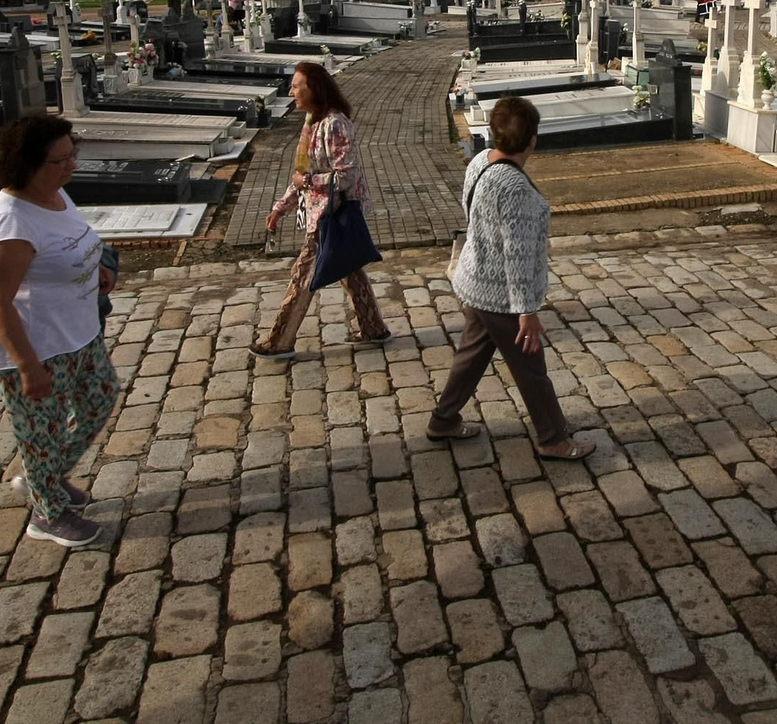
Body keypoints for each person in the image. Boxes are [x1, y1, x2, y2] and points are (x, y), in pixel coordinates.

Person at [0, 116, 117, 547]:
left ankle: (45, 478)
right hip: (35, 347)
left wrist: (99, 272)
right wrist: (28, 367)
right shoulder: (11, 222)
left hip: (76, 331)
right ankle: (47, 512)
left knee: (99, 400)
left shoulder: (54, 195)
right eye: (60, 160)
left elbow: (71, 247)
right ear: (27, 165)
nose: (71, 164)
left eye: (73, 153)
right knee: (41, 432)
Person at [430, 97, 595, 460]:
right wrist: (527, 312)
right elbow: (517, 256)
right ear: (533, 140)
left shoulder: (479, 162)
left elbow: (468, 206)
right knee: (531, 370)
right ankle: (553, 438)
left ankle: (443, 420)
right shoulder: (516, 190)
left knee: (471, 356)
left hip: (475, 278)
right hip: (502, 296)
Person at [254, 61, 390, 358]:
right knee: (350, 270)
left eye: (296, 86)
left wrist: (310, 181)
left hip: (331, 214)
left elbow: (346, 175)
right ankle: (373, 328)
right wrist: (280, 207)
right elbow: (301, 175)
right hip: (320, 210)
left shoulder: (335, 125)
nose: (291, 92)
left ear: (313, 88)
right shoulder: (311, 123)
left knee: (302, 278)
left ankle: (280, 341)